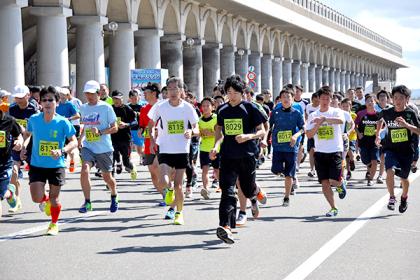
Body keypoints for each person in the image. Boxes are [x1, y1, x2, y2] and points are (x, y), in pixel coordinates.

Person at [210, 74, 267, 244]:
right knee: (227, 191)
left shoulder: (250, 108)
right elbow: (219, 130)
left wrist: (248, 136)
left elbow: (262, 130)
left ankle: (256, 193)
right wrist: (216, 146)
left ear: (242, 92)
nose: (232, 95)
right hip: (228, 156)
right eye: (229, 92)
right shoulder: (222, 110)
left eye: (235, 92)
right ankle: (225, 227)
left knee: (247, 189)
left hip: (247, 155)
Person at [21, 86, 77, 235]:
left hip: (56, 165)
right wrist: (23, 147)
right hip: (37, 164)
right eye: (44, 100)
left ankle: (54, 223)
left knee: (54, 198)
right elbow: (27, 134)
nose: (47, 103)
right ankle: (44, 200)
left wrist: (62, 150)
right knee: (36, 197)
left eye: (50, 100)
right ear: (40, 103)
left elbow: (74, 141)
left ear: (57, 102)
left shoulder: (63, 122)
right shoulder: (34, 119)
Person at [148, 77, 199, 225]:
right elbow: (151, 124)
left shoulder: (188, 107)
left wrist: (191, 131)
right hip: (165, 148)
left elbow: (197, 127)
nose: (173, 92)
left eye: (176, 89)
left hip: (181, 150)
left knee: (178, 185)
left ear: (182, 91)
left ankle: (179, 213)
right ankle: (168, 191)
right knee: (163, 181)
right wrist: (152, 139)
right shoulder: (160, 106)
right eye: (169, 89)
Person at [375, 85, 420, 213]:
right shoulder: (387, 112)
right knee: (390, 171)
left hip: (406, 151)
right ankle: (392, 197)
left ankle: (404, 197)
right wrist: (378, 134)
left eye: (401, 98)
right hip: (391, 149)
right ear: (392, 99)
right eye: (395, 98)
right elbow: (379, 120)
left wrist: (406, 125)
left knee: (404, 179)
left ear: (407, 99)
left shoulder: (410, 113)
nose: (398, 100)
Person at [78, 80, 119, 213]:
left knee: (107, 177)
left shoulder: (106, 107)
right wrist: (80, 138)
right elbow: (85, 125)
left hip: (104, 148)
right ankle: (87, 201)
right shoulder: (83, 108)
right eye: (86, 93)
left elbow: (115, 128)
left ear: (98, 93)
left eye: (91, 93)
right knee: (84, 169)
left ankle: (114, 195)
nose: (89, 96)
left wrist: (100, 132)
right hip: (88, 146)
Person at [306, 86, 346, 217]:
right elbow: (309, 134)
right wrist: (317, 124)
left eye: (327, 98)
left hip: (335, 150)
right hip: (320, 152)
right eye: (322, 98)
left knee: (334, 180)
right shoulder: (313, 115)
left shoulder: (336, 111)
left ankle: (340, 184)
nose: (325, 100)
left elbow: (340, 121)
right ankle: (333, 208)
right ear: (318, 99)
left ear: (331, 99)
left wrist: (324, 120)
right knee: (324, 183)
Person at [270, 88, 304, 207]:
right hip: (278, 147)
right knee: (275, 170)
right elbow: (269, 126)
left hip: (291, 147)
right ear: (280, 99)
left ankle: (286, 197)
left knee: (289, 174)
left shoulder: (296, 113)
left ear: (292, 99)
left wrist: (296, 135)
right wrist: (265, 139)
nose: (286, 99)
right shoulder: (276, 111)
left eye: (288, 97)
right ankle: (285, 175)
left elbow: (302, 128)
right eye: (283, 97)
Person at [8, 85, 39, 213]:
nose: (18, 100)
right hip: (16, 143)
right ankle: (17, 200)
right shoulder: (12, 109)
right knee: (14, 171)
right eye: (16, 97)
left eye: (21, 97)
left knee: (35, 175)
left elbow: (37, 128)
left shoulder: (34, 109)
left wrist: (25, 134)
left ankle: (43, 197)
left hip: (33, 144)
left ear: (28, 95)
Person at [139, 83, 162, 205]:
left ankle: (169, 190)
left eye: (146, 93)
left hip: (161, 144)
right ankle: (165, 194)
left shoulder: (163, 106)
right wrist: (140, 130)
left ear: (154, 93)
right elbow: (142, 126)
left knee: (157, 166)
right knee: (153, 173)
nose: (144, 95)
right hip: (148, 143)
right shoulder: (144, 109)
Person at [0, 106, 23, 218]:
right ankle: (9, 193)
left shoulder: (9, 120)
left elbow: (19, 135)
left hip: (4, 163)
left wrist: (19, 141)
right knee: (3, 193)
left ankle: (7, 193)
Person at [111, 90, 137, 179]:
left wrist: (126, 125)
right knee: (112, 159)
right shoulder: (110, 109)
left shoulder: (127, 109)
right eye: (114, 99)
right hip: (113, 137)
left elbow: (135, 122)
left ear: (122, 99)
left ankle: (132, 168)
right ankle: (111, 179)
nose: (116, 101)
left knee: (126, 161)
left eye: (118, 99)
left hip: (125, 138)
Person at [355, 94, 380, 186]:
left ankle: (371, 179)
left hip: (374, 141)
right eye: (368, 101)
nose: (370, 103)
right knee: (365, 160)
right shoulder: (361, 114)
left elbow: (384, 126)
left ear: (375, 103)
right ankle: (369, 166)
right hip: (363, 141)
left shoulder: (378, 114)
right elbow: (354, 125)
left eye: (372, 101)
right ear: (365, 103)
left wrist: (378, 133)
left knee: (374, 161)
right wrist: (358, 133)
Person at [198, 97, 219, 200]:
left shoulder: (216, 118)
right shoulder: (200, 120)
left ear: (212, 107)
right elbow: (198, 132)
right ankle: (205, 189)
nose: (205, 108)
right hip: (204, 148)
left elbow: (220, 133)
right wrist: (201, 133)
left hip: (216, 148)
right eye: (203, 106)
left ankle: (225, 188)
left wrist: (211, 133)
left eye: (207, 105)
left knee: (217, 170)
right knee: (204, 169)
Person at [56, 87, 80, 172]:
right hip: (58, 128)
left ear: (67, 95)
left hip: (68, 128)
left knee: (69, 146)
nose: (61, 96)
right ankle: (63, 160)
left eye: (63, 95)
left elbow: (77, 115)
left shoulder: (70, 104)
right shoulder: (57, 105)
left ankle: (72, 160)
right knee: (60, 145)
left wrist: (68, 118)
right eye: (60, 94)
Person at [374, 90, 392, 184]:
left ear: (387, 98)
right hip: (378, 136)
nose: (382, 97)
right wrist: (377, 133)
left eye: (384, 96)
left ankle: (381, 175)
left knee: (385, 157)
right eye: (380, 96)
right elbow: (378, 122)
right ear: (378, 98)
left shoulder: (392, 109)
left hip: (390, 137)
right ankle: (380, 175)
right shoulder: (374, 108)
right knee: (381, 157)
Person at [127, 89, 145, 161]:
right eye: (133, 98)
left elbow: (144, 118)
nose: (135, 99)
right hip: (129, 130)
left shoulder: (141, 107)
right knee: (129, 149)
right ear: (130, 98)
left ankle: (144, 157)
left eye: (136, 98)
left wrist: (138, 114)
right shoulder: (127, 107)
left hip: (138, 130)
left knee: (139, 150)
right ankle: (129, 164)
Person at [306, 92, 319, 177]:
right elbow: (306, 116)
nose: (316, 102)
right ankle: (312, 169)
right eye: (315, 101)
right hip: (311, 130)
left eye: (318, 101)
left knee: (319, 151)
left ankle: (319, 168)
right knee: (311, 150)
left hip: (320, 132)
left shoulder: (322, 107)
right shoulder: (308, 106)